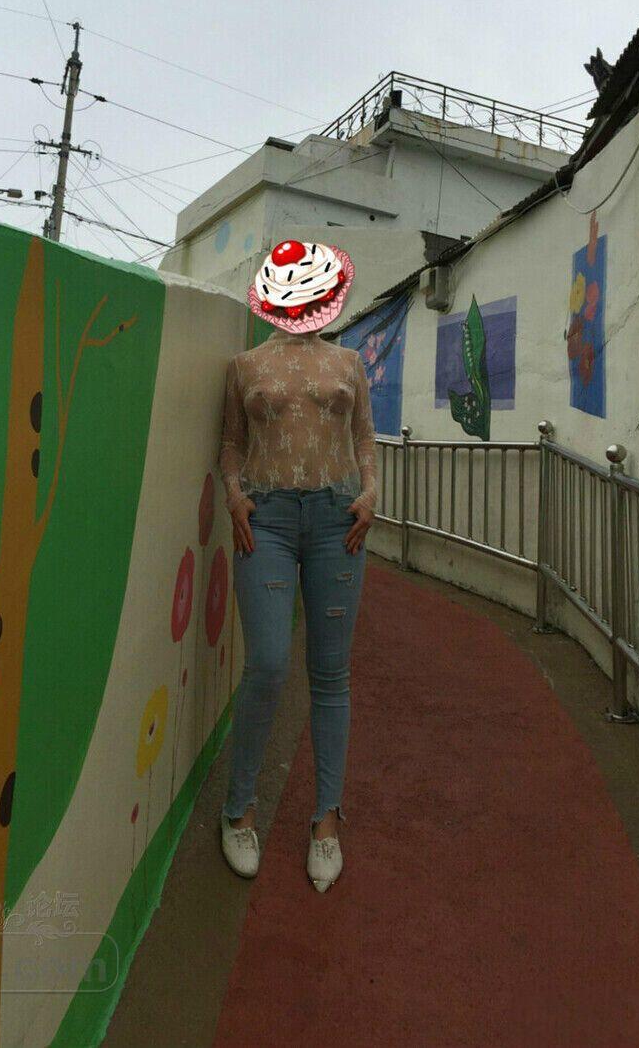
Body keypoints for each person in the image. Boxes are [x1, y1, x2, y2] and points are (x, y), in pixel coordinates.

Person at [217, 322, 377, 892]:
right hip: (267, 521)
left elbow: (364, 439)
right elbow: (231, 444)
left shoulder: (349, 362)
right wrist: (234, 496)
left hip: (340, 520)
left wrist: (371, 492)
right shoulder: (244, 365)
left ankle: (327, 820)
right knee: (267, 662)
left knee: (331, 673)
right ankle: (238, 810)